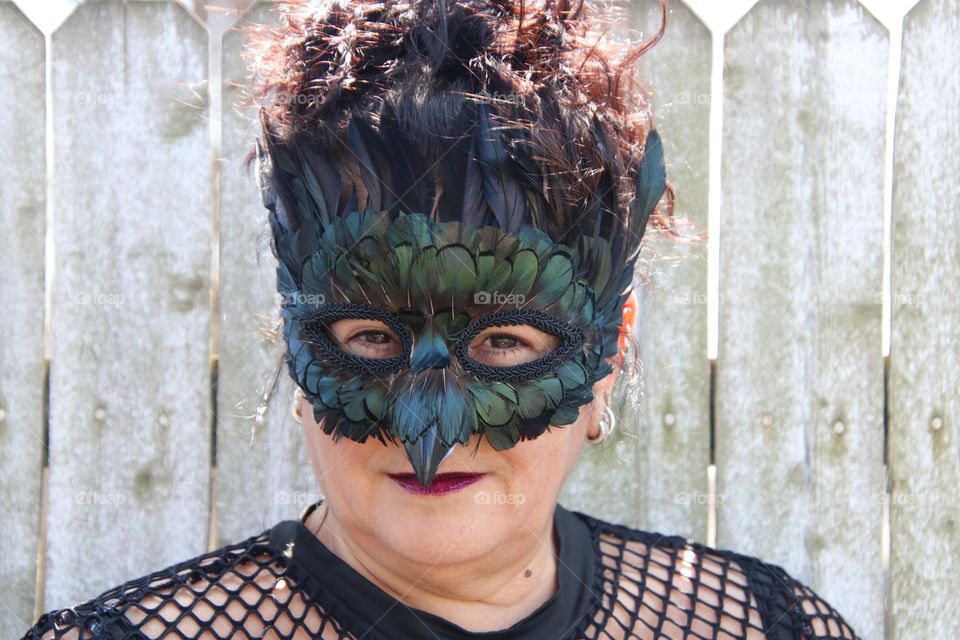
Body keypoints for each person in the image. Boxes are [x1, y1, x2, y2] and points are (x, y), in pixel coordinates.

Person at [22, 0, 861, 638]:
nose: (429, 431)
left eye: (504, 341)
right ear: (294, 331)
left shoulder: (761, 624)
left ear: (612, 345)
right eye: (371, 338)